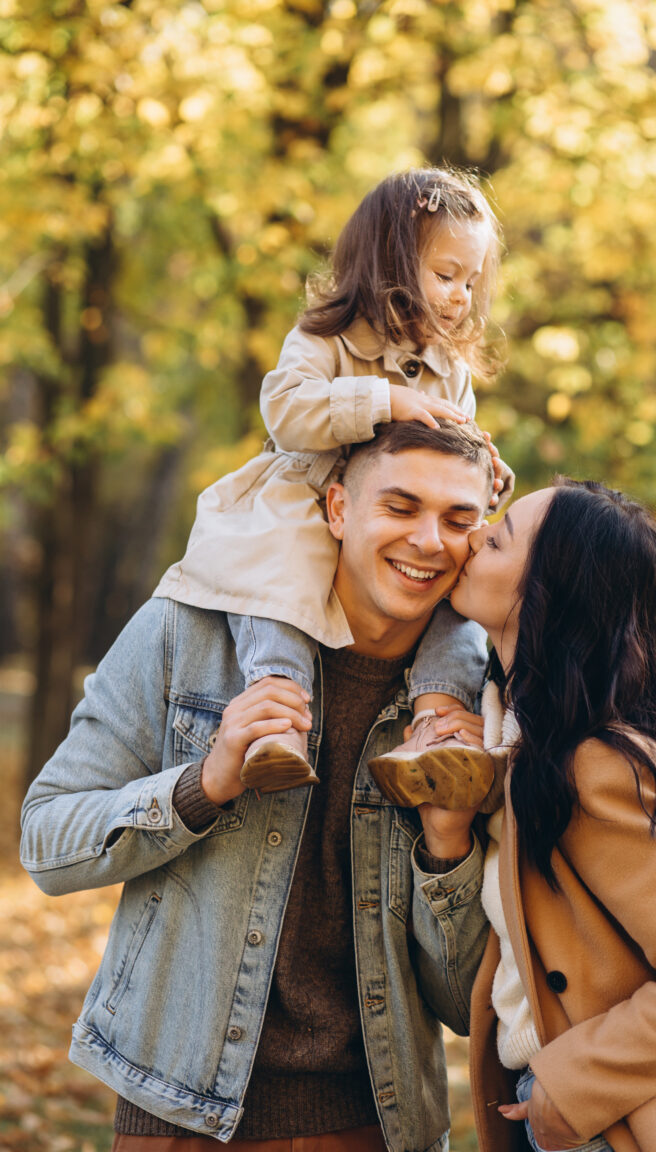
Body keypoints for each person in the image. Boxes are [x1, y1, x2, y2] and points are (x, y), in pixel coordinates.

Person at [20, 419, 497, 1151]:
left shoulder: (481, 701)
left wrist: (447, 843)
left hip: (375, 1122)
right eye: (400, 507)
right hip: (178, 1116)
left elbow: (465, 1004)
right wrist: (202, 786)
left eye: (459, 519)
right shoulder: (188, 630)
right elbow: (46, 842)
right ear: (337, 508)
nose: (431, 541)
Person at [153, 166, 513, 795]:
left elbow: (457, 441)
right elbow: (287, 411)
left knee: (457, 588)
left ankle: (434, 729)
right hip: (306, 491)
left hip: (393, 517)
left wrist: (483, 461)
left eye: (470, 281)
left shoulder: (448, 367)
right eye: (445, 275)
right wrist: (383, 401)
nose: (460, 295)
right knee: (276, 574)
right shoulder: (326, 336)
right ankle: (277, 713)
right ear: (388, 266)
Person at [449, 478, 656, 1152]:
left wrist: (570, 1087)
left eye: (499, 536)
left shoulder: (596, 766)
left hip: (614, 1124)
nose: (475, 534)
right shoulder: (529, 747)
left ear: (544, 595)